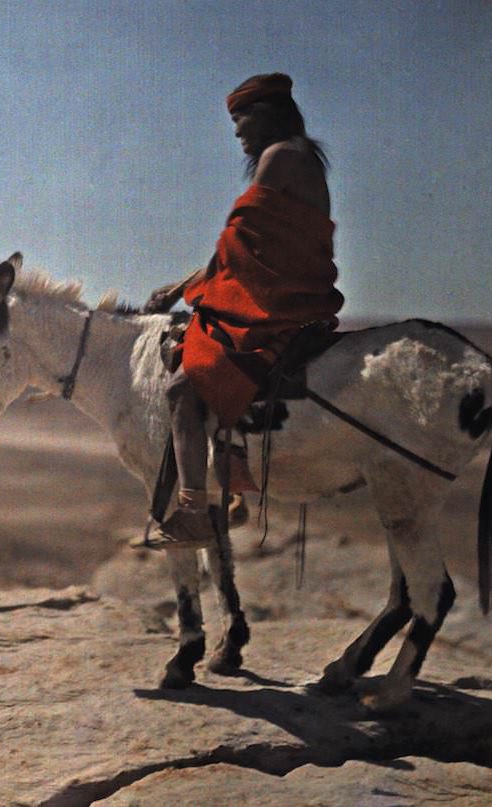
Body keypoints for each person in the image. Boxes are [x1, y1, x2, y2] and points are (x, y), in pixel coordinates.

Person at [142, 73, 344, 549]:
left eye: (242, 118)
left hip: (280, 305)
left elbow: (234, 243)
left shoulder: (279, 157)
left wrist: (179, 289)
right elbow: (243, 244)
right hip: (295, 295)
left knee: (183, 386)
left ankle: (194, 511)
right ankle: (231, 489)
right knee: (200, 345)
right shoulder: (303, 155)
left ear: (270, 113)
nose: (237, 133)